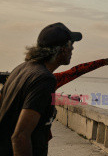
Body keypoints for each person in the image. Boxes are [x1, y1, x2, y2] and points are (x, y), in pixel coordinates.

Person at [0, 22, 82, 156]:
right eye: (71, 44)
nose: (72, 49)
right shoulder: (44, 79)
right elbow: (20, 136)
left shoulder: (21, 68)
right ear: (61, 49)